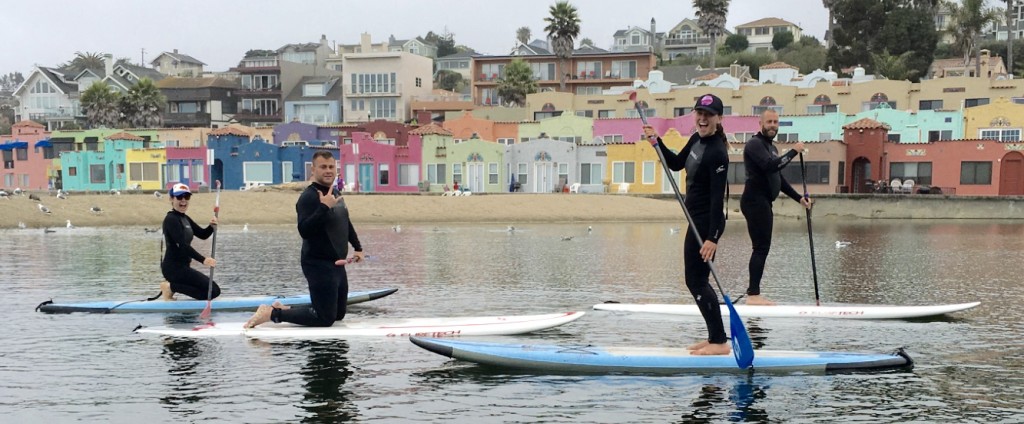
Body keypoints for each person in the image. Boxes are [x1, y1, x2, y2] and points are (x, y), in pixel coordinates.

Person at [643, 93, 731, 356]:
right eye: (699, 114)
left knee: (696, 281)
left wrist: (713, 237)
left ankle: (719, 342)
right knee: (697, 280)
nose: (703, 119)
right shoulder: (696, 139)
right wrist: (656, 142)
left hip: (706, 225)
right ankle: (715, 337)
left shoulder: (718, 153)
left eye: (708, 115)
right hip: (695, 221)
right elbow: (676, 164)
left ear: (718, 118)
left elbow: (718, 202)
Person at [245, 150, 365, 328]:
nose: (328, 170)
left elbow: (344, 221)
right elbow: (304, 230)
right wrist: (323, 207)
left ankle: (283, 308)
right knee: (325, 319)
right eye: (323, 167)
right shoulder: (308, 197)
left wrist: (358, 247)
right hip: (317, 263)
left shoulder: (335, 192)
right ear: (313, 170)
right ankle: (272, 314)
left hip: (337, 264)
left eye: (331, 166)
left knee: (338, 314)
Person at [740, 110, 811, 306]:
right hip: (754, 201)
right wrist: (794, 152)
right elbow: (771, 167)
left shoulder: (771, 148)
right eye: (769, 121)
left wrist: (799, 198)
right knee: (761, 248)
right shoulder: (755, 144)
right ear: (760, 123)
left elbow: (777, 178)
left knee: (762, 248)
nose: (773, 125)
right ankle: (753, 295)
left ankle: (753, 294)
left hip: (763, 202)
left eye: (776, 122)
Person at [160, 183, 219, 301]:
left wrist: (211, 226)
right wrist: (203, 260)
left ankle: (172, 288)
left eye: (186, 197)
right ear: (171, 199)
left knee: (212, 291)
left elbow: (203, 235)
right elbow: (183, 246)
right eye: (179, 197)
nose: (183, 200)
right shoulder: (171, 219)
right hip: (173, 269)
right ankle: (170, 287)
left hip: (183, 267)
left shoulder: (185, 218)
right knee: (213, 291)